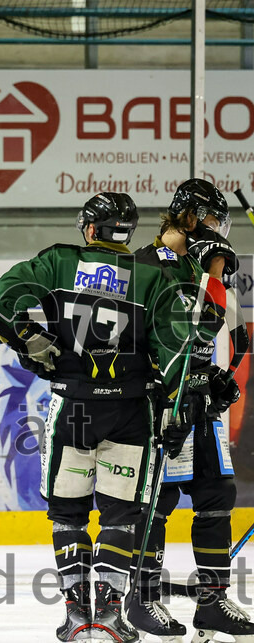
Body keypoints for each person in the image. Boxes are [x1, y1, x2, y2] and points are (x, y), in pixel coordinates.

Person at [0, 192, 220, 642]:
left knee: (69, 516)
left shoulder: (59, 262)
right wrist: (178, 411)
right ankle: (111, 614)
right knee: (120, 517)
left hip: (72, 408)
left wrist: (30, 340)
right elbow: (176, 353)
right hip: (131, 412)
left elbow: (3, 297)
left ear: (90, 229)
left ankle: (77, 614)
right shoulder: (153, 276)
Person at [128, 178, 253, 643]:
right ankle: (141, 600)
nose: (220, 230)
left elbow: (213, 333)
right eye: (214, 219)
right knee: (154, 500)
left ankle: (212, 601)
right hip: (157, 402)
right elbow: (143, 340)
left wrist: (217, 380)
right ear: (191, 215)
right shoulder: (142, 265)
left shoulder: (209, 267)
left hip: (197, 401)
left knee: (218, 493)